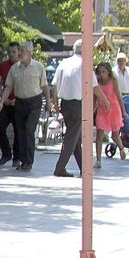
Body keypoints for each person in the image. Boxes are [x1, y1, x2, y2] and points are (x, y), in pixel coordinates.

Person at [0, 42, 51, 173]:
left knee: (29, 129)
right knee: (20, 131)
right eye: (19, 50)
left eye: (22, 50)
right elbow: (8, 86)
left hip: (34, 102)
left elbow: (44, 86)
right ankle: (23, 161)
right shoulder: (14, 68)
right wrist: (2, 101)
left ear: (29, 52)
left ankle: (29, 161)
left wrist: (49, 102)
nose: (20, 53)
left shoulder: (38, 67)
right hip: (20, 102)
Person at [51, 40, 93, 177]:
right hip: (77, 104)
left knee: (76, 137)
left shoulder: (64, 63)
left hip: (65, 104)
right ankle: (59, 167)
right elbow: (95, 86)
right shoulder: (84, 64)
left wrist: (56, 104)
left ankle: (84, 168)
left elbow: (54, 85)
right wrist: (106, 101)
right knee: (71, 137)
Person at [94, 62, 128, 167]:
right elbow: (94, 98)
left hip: (114, 109)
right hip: (102, 109)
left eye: (103, 71)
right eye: (99, 72)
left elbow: (119, 97)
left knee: (114, 135)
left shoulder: (113, 81)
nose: (101, 74)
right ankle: (98, 160)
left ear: (108, 72)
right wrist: (92, 109)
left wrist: (123, 111)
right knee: (99, 135)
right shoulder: (97, 82)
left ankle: (121, 148)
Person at [0, 42, 20, 167]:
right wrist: (3, 97)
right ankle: (6, 154)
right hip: (5, 102)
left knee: (18, 130)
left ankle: (17, 157)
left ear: (19, 52)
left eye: (14, 52)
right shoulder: (3, 65)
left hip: (19, 103)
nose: (11, 54)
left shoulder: (22, 66)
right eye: (9, 52)